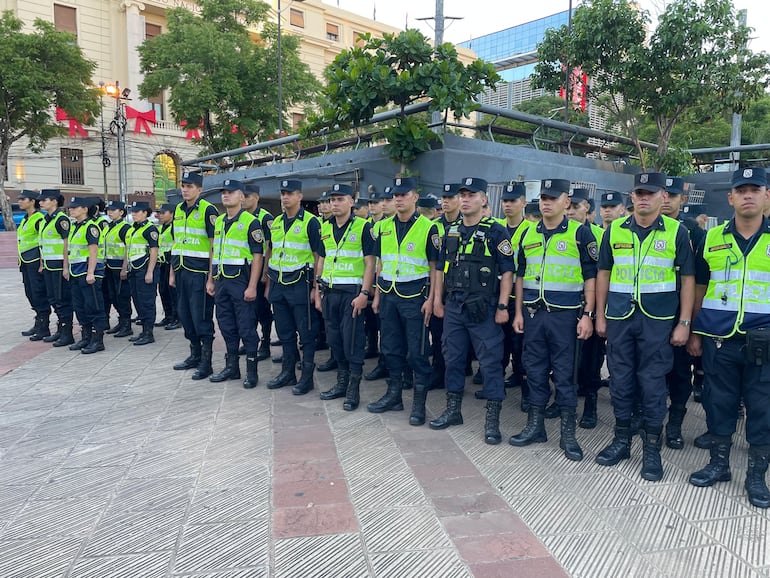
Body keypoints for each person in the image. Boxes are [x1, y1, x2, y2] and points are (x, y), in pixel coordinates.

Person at [595, 172, 694, 481]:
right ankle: (621, 440)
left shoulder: (678, 232)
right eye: (639, 192)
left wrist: (685, 322)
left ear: (663, 196)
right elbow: (603, 275)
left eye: (650, 193)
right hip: (621, 318)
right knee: (620, 382)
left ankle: (651, 449)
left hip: (658, 321)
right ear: (632, 196)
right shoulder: (613, 232)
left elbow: (688, 280)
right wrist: (600, 315)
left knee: (652, 385)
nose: (644, 198)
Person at [686, 167, 770, 508]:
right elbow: (701, 286)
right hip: (719, 339)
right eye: (741, 190)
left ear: (767, 195)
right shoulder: (713, 237)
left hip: (764, 343)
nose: (748, 195)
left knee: (762, 409)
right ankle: (719, 464)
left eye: (755, 189)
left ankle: (755, 476)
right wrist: (693, 328)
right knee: (718, 402)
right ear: (730, 197)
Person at [509, 179, 597, 461]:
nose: (545, 202)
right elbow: (520, 275)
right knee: (532, 370)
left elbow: (591, 278)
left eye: (552, 198)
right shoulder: (528, 234)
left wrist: (588, 315)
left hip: (566, 316)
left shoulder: (580, 234)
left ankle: (567, 435)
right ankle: (535, 427)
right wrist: (519, 312)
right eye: (542, 198)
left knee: (565, 374)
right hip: (534, 314)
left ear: (566, 202)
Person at [431, 177, 513, 444]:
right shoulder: (451, 230)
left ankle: (492, 422)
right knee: (452, 358)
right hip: (455, 306)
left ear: (484, 199)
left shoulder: (496, 231)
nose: (465, 199)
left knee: (490, 363)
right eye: (462, 195)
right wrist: (439, 301)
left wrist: (502, 306)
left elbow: (508, 271)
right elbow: (443, 269)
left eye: (471, 195)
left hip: (485, 309)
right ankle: (453, 411)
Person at [370, 177, 439, 424]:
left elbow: (434, 268)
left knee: (417, 351)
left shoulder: (428, 228)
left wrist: (432, 299)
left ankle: (419, 405)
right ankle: (394, 395)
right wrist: (377, 294)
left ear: (414, 197)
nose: (398, 199)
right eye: (394, 195)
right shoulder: (384, 226)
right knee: (389, 348)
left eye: (403, 194)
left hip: (415, 297)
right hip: (388, 295)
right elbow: (381, 263)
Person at [316, 183, 376, 410]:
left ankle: (353, 387)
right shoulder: (326, 227)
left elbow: (370, 263)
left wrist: (364, 293)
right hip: (329, 292)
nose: (335, 203)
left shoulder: (363, 227)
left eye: (340, 199)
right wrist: (318, 289)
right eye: (333, 199)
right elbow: (321, 259)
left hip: (352, 294)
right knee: (334, 339)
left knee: (352, 340)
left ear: (352, 201)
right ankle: (341, 382)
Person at [661, 176, 706, 449]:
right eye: (663, 194)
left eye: (672, 196)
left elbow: (699, 280)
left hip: (680, 310)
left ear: (682, 200)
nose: (666, 200)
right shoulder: (643, 226)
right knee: (650, 370)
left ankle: (675, 423)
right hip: (651, 312)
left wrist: (691, 324)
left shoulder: (694, 232)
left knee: (679, 372)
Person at [265, 179, 322, 395]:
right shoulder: (277, 222)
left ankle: (306, 377)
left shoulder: (311, 222)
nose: (285, 197)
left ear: (299, 196)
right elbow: (272, 252)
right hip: (279, 284)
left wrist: (316, 288)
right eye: (282, 193)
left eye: (290, 193)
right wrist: (268, 284)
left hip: (301, 284)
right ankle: (288, 372)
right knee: (285, 332)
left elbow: (319, 257)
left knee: (306, 333)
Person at [206, 179, 263, 388]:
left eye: (230, 192)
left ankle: (251, 370)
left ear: (241, 196)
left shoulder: (250, 221)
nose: (225, 195)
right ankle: (232, 367)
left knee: (246, 327)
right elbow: (215, 252)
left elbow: (258, 256)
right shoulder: (219, 221)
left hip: (241, 280)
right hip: (221, 281)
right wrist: (211, 279)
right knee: (226, 325)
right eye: (223, 192)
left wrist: (252, 286)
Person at [170, 171, 218, 379]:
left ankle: (206, 363)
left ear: (200, 189)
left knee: (201, 317)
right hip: (181, 270)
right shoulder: (179, 210)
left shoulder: (209, 210)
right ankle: (194, 355)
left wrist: (211, 277)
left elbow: (212, 246)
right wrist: (172, 273)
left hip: (199, 273)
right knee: (185, 315)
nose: (185, 189)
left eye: (190, 186)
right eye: (183, 185)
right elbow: (176, 243)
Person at [567, 187, 605, 429]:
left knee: (591, 358)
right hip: (565, 305)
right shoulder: (559, 234)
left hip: (590, 305)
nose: (570, 211)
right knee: (566, 358)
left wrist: (596, 312)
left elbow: (602, 276)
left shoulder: (599, 236)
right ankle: (565, 400)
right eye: (568, 206)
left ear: (587, 209)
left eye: (575, 207)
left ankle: (590, 404)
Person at [66, 197, 107, 354]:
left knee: (93, 306)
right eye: (71, 207)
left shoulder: (91, 227)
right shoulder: (75, 227)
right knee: (80, 306)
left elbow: (93, 250)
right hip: (76, 271)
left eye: (75, 207)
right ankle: (86, 337)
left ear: (85, 209)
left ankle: (97, 340)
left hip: (88, 272)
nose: (71, 210)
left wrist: (91, 272)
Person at [38, 189, 75, 347]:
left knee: (62, 299)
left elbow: (67, 243)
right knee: (53, 299)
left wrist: (66, 266)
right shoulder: (46, 219)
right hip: (48, 265)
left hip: (60, 265)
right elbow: (42, 243)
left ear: (54, 201)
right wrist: (41, 264)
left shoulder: (61, 219)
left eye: (44, 200)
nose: (41, 202)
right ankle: (60, 329)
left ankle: (67, 333)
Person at [242, 183, 274, 361]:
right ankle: (250, 341)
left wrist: (265, 272)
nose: (244, 200)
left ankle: (266, 341)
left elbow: (270, 246)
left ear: (256, 198)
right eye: (243, 196)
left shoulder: (265, 217)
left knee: (262, 308)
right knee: (248, 310)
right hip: (244, 269)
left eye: (248, 196)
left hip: (260, 265)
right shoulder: (240, 217)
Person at [16, 190, 50, 340]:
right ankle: (38, 321)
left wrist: (42, 262)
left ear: (32, 201)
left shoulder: (38, 218)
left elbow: (43, 241)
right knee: (30, 292)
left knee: (38, 292)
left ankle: (44, 326)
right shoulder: (25, 219)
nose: (20, 201)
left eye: (23, 199)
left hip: (35, 260)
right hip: (25, 261)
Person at [125, 201, 159, 346]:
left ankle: (148, 332)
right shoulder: (133, 229)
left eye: (137, 211)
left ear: (145, 213)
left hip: (145, 269)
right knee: (137, 300)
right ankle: (143, 330)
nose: (133, 214)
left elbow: (154, 250)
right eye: (132, 211)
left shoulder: (150, 229)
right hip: (134, 269)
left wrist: (150, 271)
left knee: (147, 302)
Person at [102, 200, 134, 338]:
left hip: (119, 266)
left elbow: (128, 248)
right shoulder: (108, 226)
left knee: (122, 296)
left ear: (121, 212)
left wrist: (124, 268)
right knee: (112, 295)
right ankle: (121, 321)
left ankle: (127, 324)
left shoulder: (125, 227)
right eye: (108, 210)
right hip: (108, 266)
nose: (110, 212)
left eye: (113, 210)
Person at [155, 203, 180, 330]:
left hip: (172, 262)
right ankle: (168, 316)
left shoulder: (174, 227)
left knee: (173, 292)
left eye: (163, 213)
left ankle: (177, 317)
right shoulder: (161, 228)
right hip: (162, 263)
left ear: (172, 213)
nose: (161, 215)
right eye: (159, 213)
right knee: (163, 291)